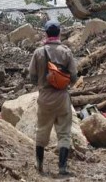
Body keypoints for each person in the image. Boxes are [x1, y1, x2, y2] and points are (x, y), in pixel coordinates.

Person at [28, 19, 77, 176]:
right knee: (64, 133)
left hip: (45, 99)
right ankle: (62, 168)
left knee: (42, 131)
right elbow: (74, 77)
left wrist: (43, 84)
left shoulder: (38, 53)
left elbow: (32, 76)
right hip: (62, 98)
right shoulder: (66, 52)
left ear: (45, 33)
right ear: (59, 33)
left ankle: (39, 164)